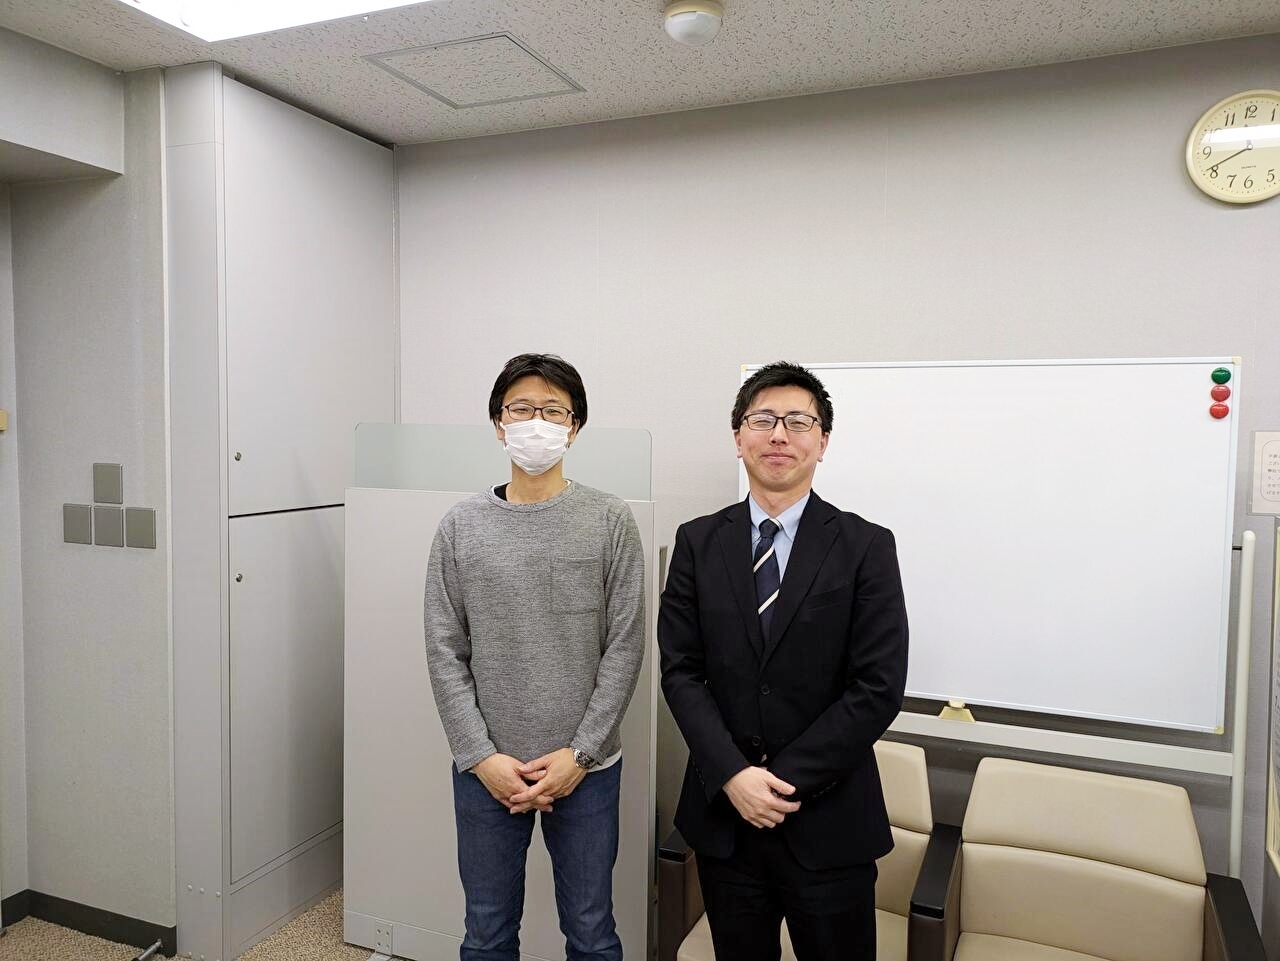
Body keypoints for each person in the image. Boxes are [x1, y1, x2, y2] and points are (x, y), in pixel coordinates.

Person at [658, 361, 908, 961]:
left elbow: (877, 686)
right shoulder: (697, 542)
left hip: (829, 822)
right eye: (763, 420)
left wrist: (778, 780)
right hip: (726, 820)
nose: (779, 435)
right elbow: (681, 671)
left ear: (822, 442)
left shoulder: (866, 546)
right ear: (738, 437)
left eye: (798, 422)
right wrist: (734, 775)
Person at [424, 353, 646, 961]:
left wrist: (581, 753)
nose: (536, 422)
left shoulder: (610, 520)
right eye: (521, 409)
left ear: (574, 428)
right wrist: (480, 756)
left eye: (553, 411)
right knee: (487, 933)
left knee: (592, 933)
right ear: (499, 424)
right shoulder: (460, 526)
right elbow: (444, 649)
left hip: (586, 769)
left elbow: (625, 645)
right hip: (486, 771)